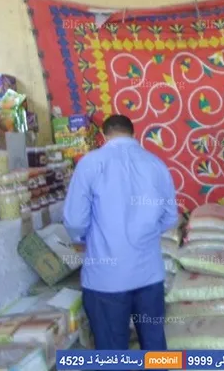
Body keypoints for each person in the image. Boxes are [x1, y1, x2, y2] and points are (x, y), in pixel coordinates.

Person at [63, 114, 178, 350]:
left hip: (106, 277)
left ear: (103, 135)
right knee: (155, 344)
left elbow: (75, 220)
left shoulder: (90, 163)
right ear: (134, 134)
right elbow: (170, 217)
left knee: (111, 350)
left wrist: (83, 238)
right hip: (149, 274)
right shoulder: (155, 164)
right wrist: (145, 233)